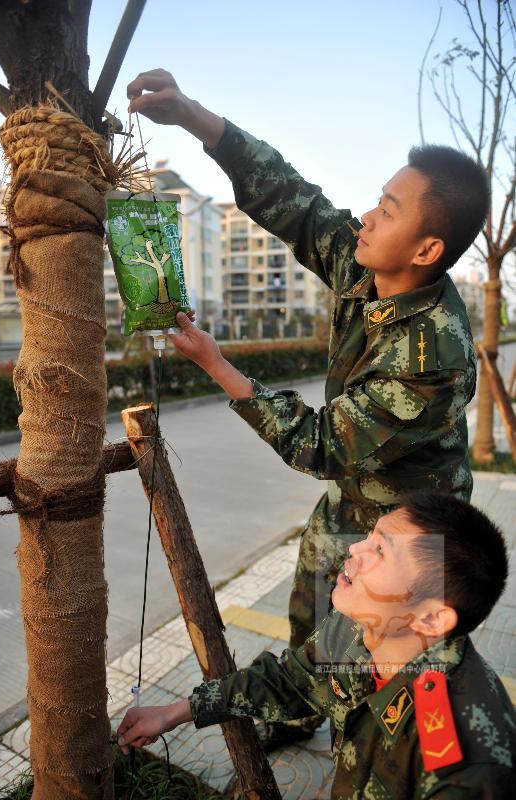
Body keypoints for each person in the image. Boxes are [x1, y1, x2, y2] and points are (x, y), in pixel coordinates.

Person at [126, 68, 489, 747]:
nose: (368, 214)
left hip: (409, 534)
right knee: (311, 614)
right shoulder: (368, 263)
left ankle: (366, 751)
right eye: (379, 198)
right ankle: (294, 716)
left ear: (427, 249)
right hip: (352, 502)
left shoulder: (434, 355)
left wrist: (213, 361)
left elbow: (319, 445)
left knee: (378, 675)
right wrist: (191, 113)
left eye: (388, 208)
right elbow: (290, 198)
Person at [117, 492, 515, 798]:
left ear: (430, 618)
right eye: (369, 537)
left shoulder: (465, 764)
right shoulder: (355, 627)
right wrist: (173, 713)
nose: (353, 550)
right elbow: (290, 680)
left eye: (380, 550)